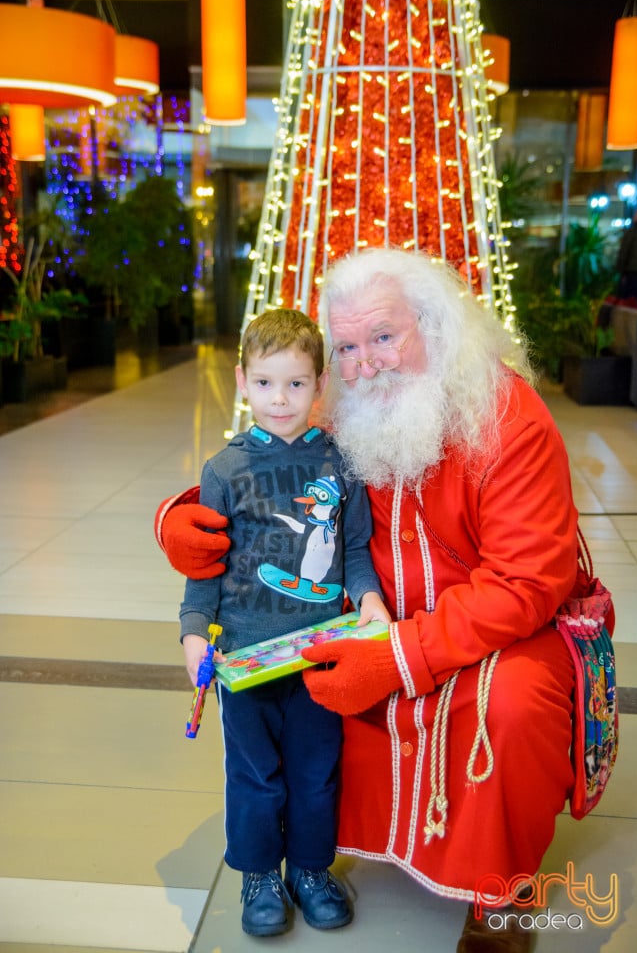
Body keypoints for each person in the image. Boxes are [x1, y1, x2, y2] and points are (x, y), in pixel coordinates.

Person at [157, 249, 579, 953]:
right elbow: (261, 458)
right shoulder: (337, 399)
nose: (365, 363)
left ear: (435, 328)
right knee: (285, 705)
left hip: (495, 628)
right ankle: (302, 861)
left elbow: (528, 580)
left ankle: (501, 891)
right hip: (365, 616)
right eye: (347, 347)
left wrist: (401, 655)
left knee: (511, 705)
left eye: (384, 336)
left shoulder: (509, 415)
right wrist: (182, 516)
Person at [177, 308, 390, 938]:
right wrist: (194, 633)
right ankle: (259, 873)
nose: (280, 399)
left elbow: (353, 552)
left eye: (296, 384)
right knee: (253, 774)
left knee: (316, 770)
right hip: (245, 658)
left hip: (322, 655)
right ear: (242, 381)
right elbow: (204, 566)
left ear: (320, 384)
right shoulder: (224, 470)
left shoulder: (341, 463)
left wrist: (369, 599)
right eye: (266, 383)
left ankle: (310, 869)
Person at [617, 208, 637, 303]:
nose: (634, 217)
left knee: (630, 303)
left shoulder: (632, 232)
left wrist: (620, 271)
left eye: (636, 215)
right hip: (633, 272)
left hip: (632, 273)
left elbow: (624, 253)